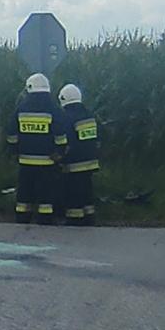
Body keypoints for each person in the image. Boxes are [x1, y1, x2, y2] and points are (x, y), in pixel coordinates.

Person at [5, 74, 67, 224]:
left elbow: (12, 132)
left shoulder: (21, 108)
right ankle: (45, 219)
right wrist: (59, 152)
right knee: (46, 191)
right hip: (47, 161)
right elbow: (60, 133)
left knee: (24, 191)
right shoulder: (53, 108)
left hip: (25, 160)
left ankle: (22, 217)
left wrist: (14, 151)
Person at [57, 84, 101, 226]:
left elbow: (66, 142)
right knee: (87, 190)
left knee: (73, 192)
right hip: (90, 162)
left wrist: (61, 158)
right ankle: (89, 216)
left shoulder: (67, 117)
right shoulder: (89, 115)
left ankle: (74, 218)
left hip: (74, 164)